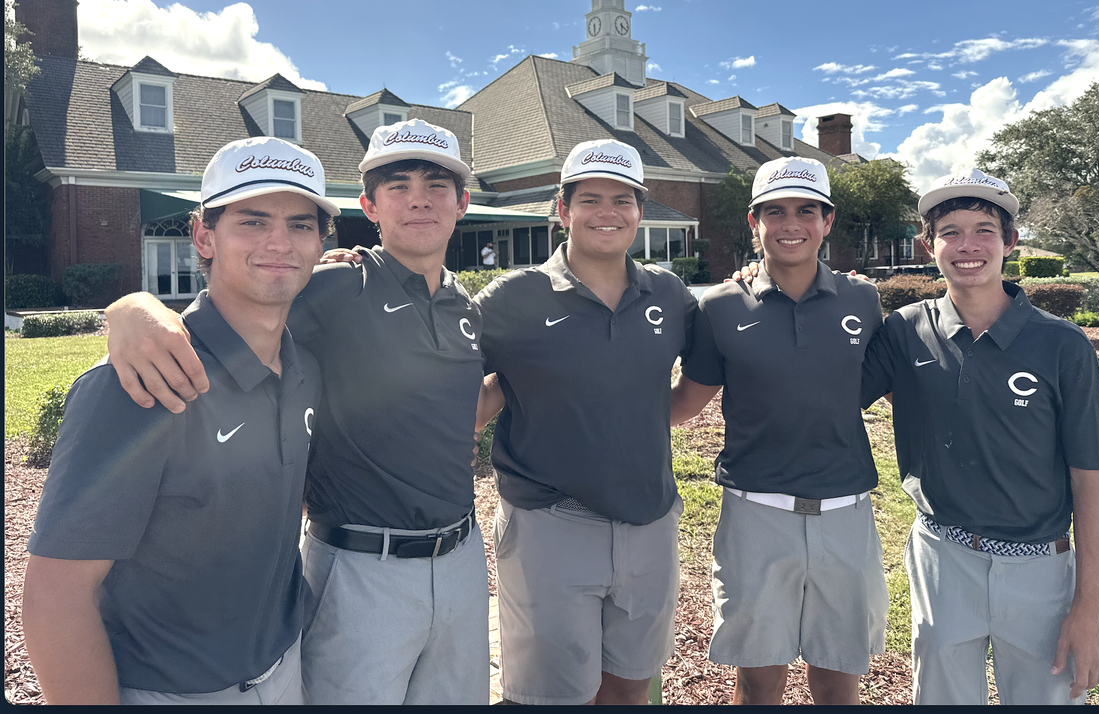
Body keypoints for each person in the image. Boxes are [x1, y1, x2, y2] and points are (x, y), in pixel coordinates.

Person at [100, 119, 491, 705]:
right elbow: (228, 307)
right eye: (398, 184)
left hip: (462, 556)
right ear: (369, 205)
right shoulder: (330, 287)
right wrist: (130, 309)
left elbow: (456, 412)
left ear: (462, 203)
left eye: (437, 185)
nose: (419, 199)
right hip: (361, 565)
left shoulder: (465, 305)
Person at [22, 136, 336, 704]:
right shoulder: (138, 384)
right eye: (253, 221)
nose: (279, 243)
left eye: (300, 225)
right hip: (173, 693)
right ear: (203, 236)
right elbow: (56, 596)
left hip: (284, 668)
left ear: (320, 243)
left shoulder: (304, 365)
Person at [860, 168, 1099, 705]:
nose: (966, 245)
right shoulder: (905, 329)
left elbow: (1090, 479)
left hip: (1041, 568)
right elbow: (830, 395)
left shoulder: (1063, 345)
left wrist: (1088, 611)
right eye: (950, 230)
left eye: (984, 229)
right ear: (929, 245)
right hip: (942, 556)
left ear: (1010, 241)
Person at [474, 139, 697, 705]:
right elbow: (457, 391)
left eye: (623, 199)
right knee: (550, 696)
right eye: (591, 198)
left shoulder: (669, 294)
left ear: (640, 211)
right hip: (550, 523)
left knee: (630, 685)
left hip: (649, 520)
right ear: (562, 209)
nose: (608, 212)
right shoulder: (511, 298)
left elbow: (700, 379)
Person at [670, 156, 889, 705]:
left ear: (828, 221)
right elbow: (684, 405)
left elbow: (893, 390)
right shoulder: (718, 306)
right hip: (755, 513)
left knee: (839, 678)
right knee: (758, 680)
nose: (792, 223)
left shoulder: (863, 299)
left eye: (806, 210)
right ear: (754, 222)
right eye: (776, 211)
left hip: (846, 511)